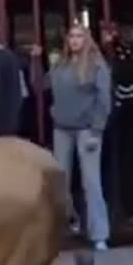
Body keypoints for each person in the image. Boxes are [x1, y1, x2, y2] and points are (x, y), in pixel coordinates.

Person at [30, 24, 112, 251]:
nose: (75, 40)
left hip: (87, 128)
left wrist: (97, 129)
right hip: (62, 128)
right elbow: (39, 85)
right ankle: (64, 229)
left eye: (79, 36)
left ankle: (99, 234)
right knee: (60, 182)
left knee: (91, 182)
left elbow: (104, 99)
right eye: (72, 36)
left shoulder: (96, 64)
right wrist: (36, 61)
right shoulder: (60, 65)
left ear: (87, 40)